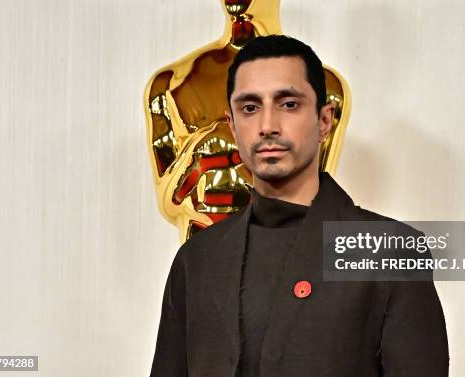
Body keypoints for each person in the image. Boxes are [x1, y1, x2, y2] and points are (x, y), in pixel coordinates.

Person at [149, 35, 449, 377]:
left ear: (324, 121)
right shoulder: (197, 260)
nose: (267, 126)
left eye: (288, 104)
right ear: (232, 127)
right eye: (250, 108)